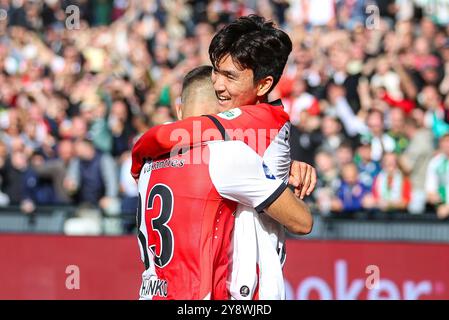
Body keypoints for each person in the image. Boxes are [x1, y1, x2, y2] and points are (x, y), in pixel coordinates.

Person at [132, 15, 317, 299]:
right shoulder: (233, 150)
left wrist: (141, 150)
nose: (218, 85)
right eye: (217, 73)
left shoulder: (151, 163)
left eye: (229, 76)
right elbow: (302, 222)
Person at [426, 134, 449, 219]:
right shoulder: (435, 162)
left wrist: (447, 207)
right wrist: (438, 202)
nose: (447, 145)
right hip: (439, 207)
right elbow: (430, 188)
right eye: (445, 142)